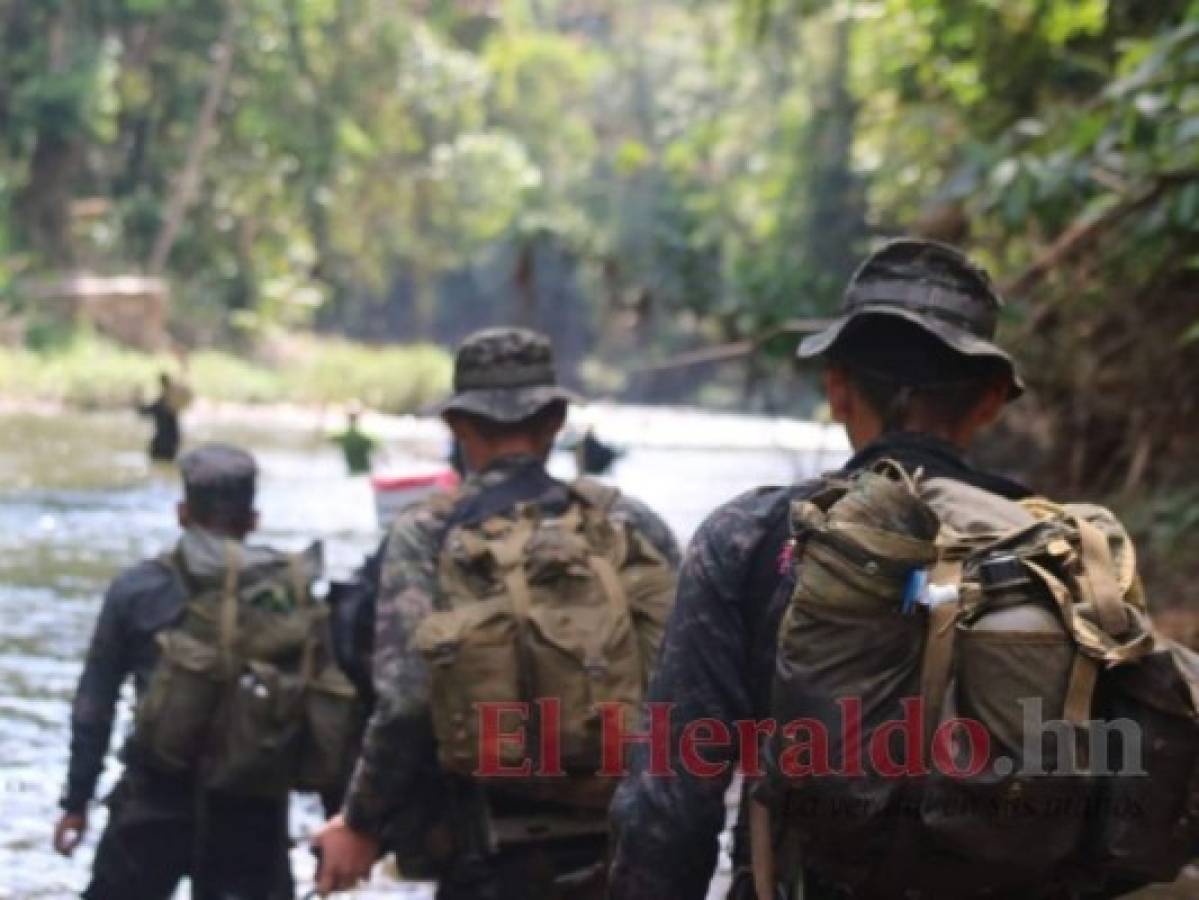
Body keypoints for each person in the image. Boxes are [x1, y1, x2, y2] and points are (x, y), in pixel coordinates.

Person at [607, 239, 1034, 899]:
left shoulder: (750, 539)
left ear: (836, 391)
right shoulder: (1058, 550)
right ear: (990, 400)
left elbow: (669, 801)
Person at [313, 326, 682, 898]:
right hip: (624, 843)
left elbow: (406, 700)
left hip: (487, 851)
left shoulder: (428, 532)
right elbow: (689, 680)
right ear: (556, 420)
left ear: (458, 425)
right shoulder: (630, 523)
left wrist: (360, 820)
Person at [54, 444, 296, 900]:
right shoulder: (286, 593)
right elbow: (323, 705)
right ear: (253, 520)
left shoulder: (137, 589)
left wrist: (77, 801)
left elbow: (94, 705)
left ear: (182, 513)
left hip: (154, 801)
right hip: (253, 813)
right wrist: (346, 818)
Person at [137, 372, 190, 463]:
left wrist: (138, 399)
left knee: (156, 461)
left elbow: (144, 412)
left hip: (161, 442)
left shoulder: (162, 403)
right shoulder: (173, 404)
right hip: (172, 442)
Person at [332, 403, 377, 475]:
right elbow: (374, 445)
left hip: (358, 470)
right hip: (361, 469)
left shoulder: (346, 435)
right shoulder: (351, 434)